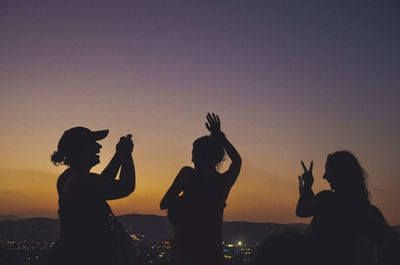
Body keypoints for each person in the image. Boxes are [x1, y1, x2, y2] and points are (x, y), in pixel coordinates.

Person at [48, 126, 140, 265]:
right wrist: (126, 154)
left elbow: (102, 183)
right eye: (92, 143)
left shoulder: (68, 178)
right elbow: (126, 186)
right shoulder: (82, 182)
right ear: (80, 149)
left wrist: (119, 156)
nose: (99, 146)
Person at [160, 113, 242, 265]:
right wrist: (219, 136)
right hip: (213, 255)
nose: (191, 158)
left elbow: (164, 203)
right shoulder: (222, 183)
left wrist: (183, 201)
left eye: (194, 153)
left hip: (184, 252)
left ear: (201, 156)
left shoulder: (187, 175)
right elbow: (237, 160)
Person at [296, 151, 399, 265]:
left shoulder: (326, 200)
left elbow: (302, 210)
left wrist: (307, 186)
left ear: (340, 173)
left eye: (328, 171)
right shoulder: (370, 212)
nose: (324, 176)